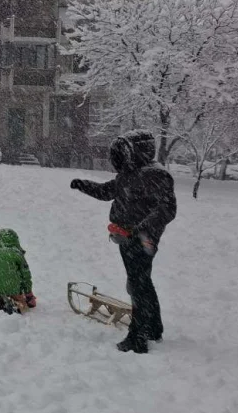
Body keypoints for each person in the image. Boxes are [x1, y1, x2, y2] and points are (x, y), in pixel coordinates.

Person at [70, 130, 177, 354]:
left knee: (138, 285)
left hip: (143, 240)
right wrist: (82, 185)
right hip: (125, 236)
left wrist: (142, 229)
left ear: (137, 151)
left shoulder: (156, 175)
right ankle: (154, 328)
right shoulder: (129, 174)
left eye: (124, 152)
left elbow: (167, 209)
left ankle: (138, 336)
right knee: (141, 283)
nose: (119, 158)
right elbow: (106, 191)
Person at [0, 229, 36, 314]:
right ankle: (14, 304)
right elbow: (26, 277)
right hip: (13, 290)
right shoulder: (17, 255)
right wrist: (29, 295)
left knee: (0, 294)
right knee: (23, 304)